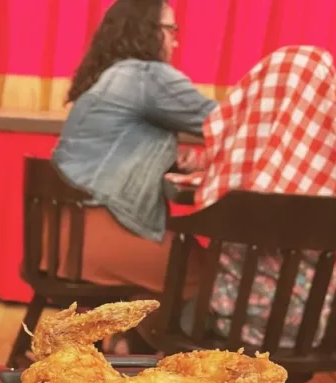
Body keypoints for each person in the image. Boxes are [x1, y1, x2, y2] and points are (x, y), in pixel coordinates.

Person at [192, 45, 336, 348]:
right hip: (307, 329)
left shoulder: (234, 154)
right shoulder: (332, 163)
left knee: (177, 307)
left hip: (228, 321)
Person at [52, 0, 215, 295]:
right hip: (100, 238)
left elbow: (115, 149)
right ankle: (145, 340)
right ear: (147, 31)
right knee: (216, 277)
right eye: (171, 29)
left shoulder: (106, 77)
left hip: (58, 237)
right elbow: (226, 122)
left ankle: (125, 340)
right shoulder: (146, 76)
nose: (176, 41)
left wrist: (168, 157)